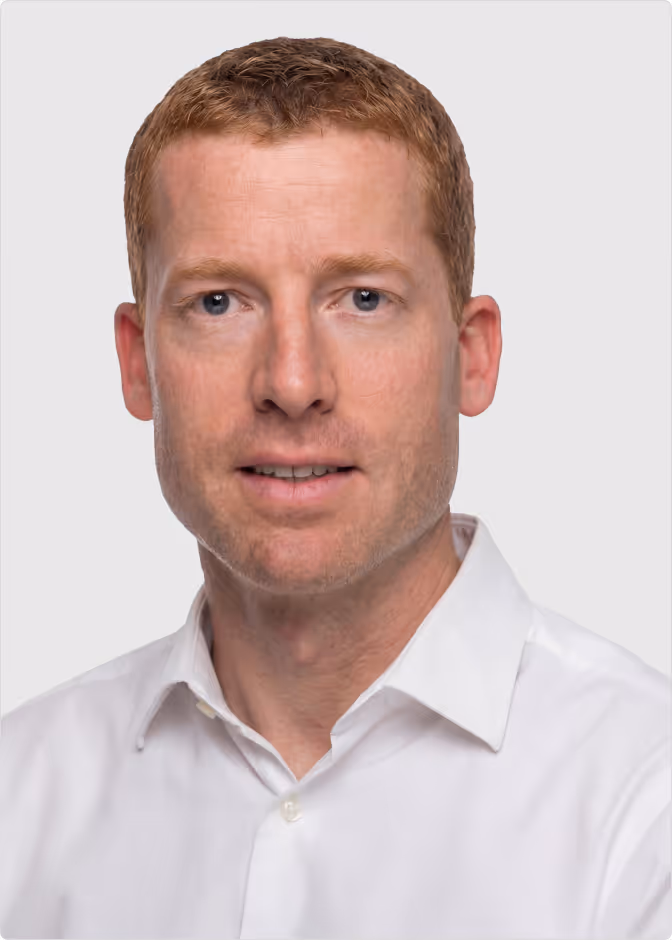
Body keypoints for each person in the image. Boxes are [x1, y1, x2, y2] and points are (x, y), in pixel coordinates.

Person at [0, 35, 669, 940]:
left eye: (360, 299)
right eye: (218, 302)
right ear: (138, 364)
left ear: (471, 356)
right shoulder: (20, 797)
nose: (291, 381)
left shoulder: (643, 800)